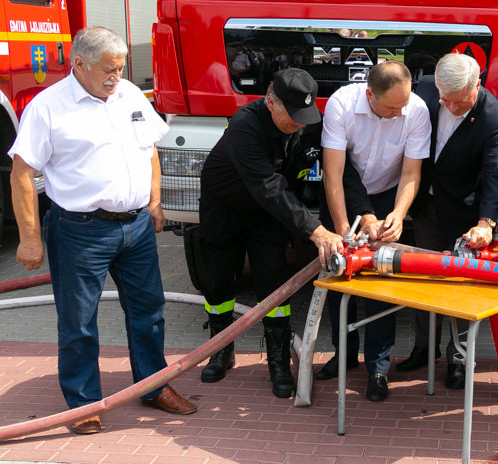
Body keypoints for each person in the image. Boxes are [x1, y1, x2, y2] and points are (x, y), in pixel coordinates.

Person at [8, 27, 197, 435]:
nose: (117, 77)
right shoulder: (48, 108)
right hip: (80, 231)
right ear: (78, 64)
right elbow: (22, 174)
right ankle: (83, 403)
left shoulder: (128, 93)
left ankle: (154, 386)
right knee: (78, 322)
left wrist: (155, 201)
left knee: (149, 312)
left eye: (120, 67)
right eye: (108, 70)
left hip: (137, 228)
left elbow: (150, 147)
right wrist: (28, 237)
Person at [197, 68, 356, 398]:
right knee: (218, 282)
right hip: (224, 208)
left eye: (306, 115)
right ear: (270, 103)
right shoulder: (245, 125)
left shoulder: (310, 122)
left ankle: (279, 361)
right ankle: (221, 349)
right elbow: (266, 185)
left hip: (269, 215)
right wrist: (315, 229)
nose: (300, 123)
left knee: (273, 282)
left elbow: (339, 167)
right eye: (293, 116)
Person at [319, 61, 431, 402]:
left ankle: (379, 367)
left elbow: (412, 172)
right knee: (339, 278)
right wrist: (341, 231)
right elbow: (333, 174)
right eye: (391, 107)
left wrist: (398, 213)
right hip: (343, 195)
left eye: (404, 105)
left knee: (380, 284)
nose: (400, 113)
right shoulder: (341, 105)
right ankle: (344, 353)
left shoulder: (416, 110)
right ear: (370, 94)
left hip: (387, 194)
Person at [397, 53, 498, 389]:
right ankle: (423, 348)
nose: (450, 107)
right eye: (445, 100)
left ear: (477, 85)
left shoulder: (494, 118)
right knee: (422, 278)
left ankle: (459, 357)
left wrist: (486, 222)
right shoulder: (429, 89)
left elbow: (495, 174)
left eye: (459, 102)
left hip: (464, 212)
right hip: (427, 203)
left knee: (461, 285)